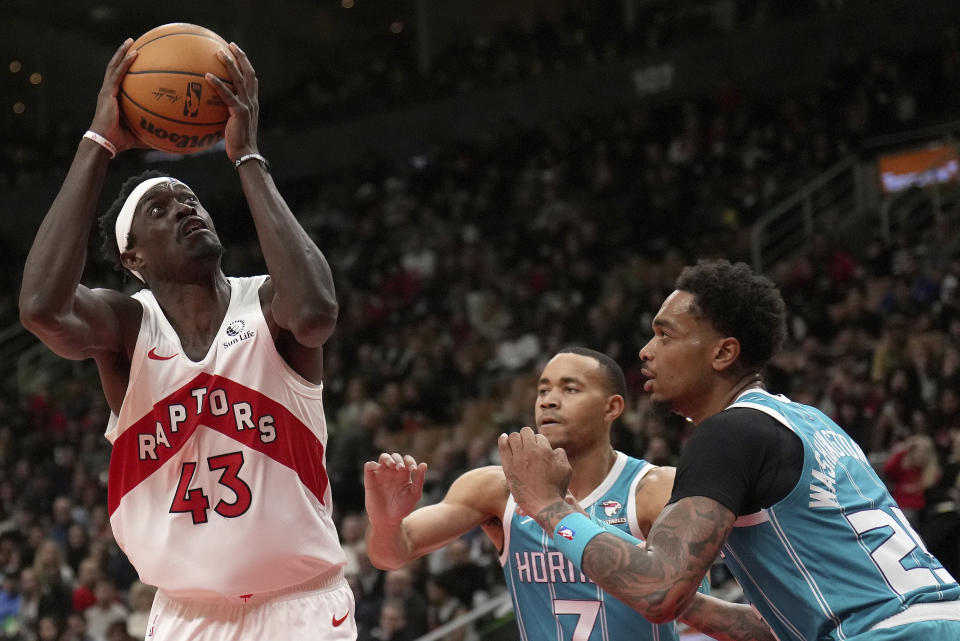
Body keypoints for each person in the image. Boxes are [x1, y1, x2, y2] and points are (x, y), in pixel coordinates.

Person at [18, 39, 354, 640]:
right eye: (159, 208)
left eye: (190, 199)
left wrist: (248, 156)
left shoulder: (268, 304)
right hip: (184, 616)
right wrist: (99, 144)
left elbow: (317, 314)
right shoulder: (126, 328)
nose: (182, 209)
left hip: (299, 609)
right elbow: (41, 308)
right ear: (132, 256)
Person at [497, 259, 960, 641]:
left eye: (665, 335)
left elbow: (659, 592)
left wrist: (551, 508)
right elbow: (773, 628)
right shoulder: (810, 422)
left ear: (723, 354)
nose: (645, 350)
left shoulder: (728, 433)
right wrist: (660, 590)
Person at [364, 347, 773, 641]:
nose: (549, 400)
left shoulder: (652, 489)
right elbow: (391, 553)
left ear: (612, 407)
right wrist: (385, 521)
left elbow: (710, 609)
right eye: (543, 390)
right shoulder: (496, 487)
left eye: (570, 389)